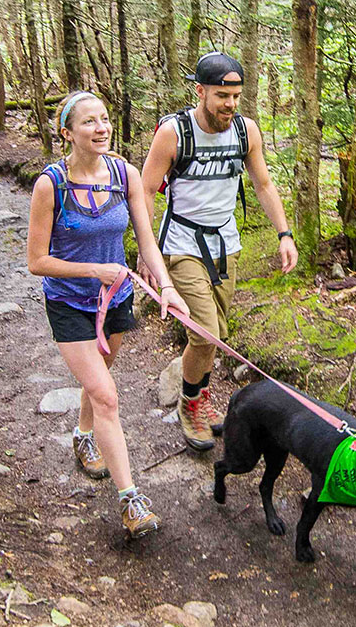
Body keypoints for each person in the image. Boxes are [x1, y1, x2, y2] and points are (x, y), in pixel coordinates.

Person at [27, 91, 189, 538]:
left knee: (98, 382)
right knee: (107, 395)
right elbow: (36, 261)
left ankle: (83, 436)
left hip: (116, 299)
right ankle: (130, 499)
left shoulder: (124, 174)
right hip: (68, 303)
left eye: (104, 120)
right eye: (88, 123)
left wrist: (167, 287)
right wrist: (92, 269)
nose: (101, 128)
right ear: (67, 133)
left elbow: (146, 240)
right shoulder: (51, 185)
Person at [140, 52, 299, 452]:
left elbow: (263, 184)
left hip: (226, 243)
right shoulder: (174, 134)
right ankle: (190, 405)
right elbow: (144, 190)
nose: (229, 104)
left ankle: (198, 394)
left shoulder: (246, 132)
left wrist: (284, 234)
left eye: (235, 96)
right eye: (221, 96)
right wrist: (147, 251)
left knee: (213, 335)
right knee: (206, 331)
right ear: (201, 91)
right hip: (181, 243)